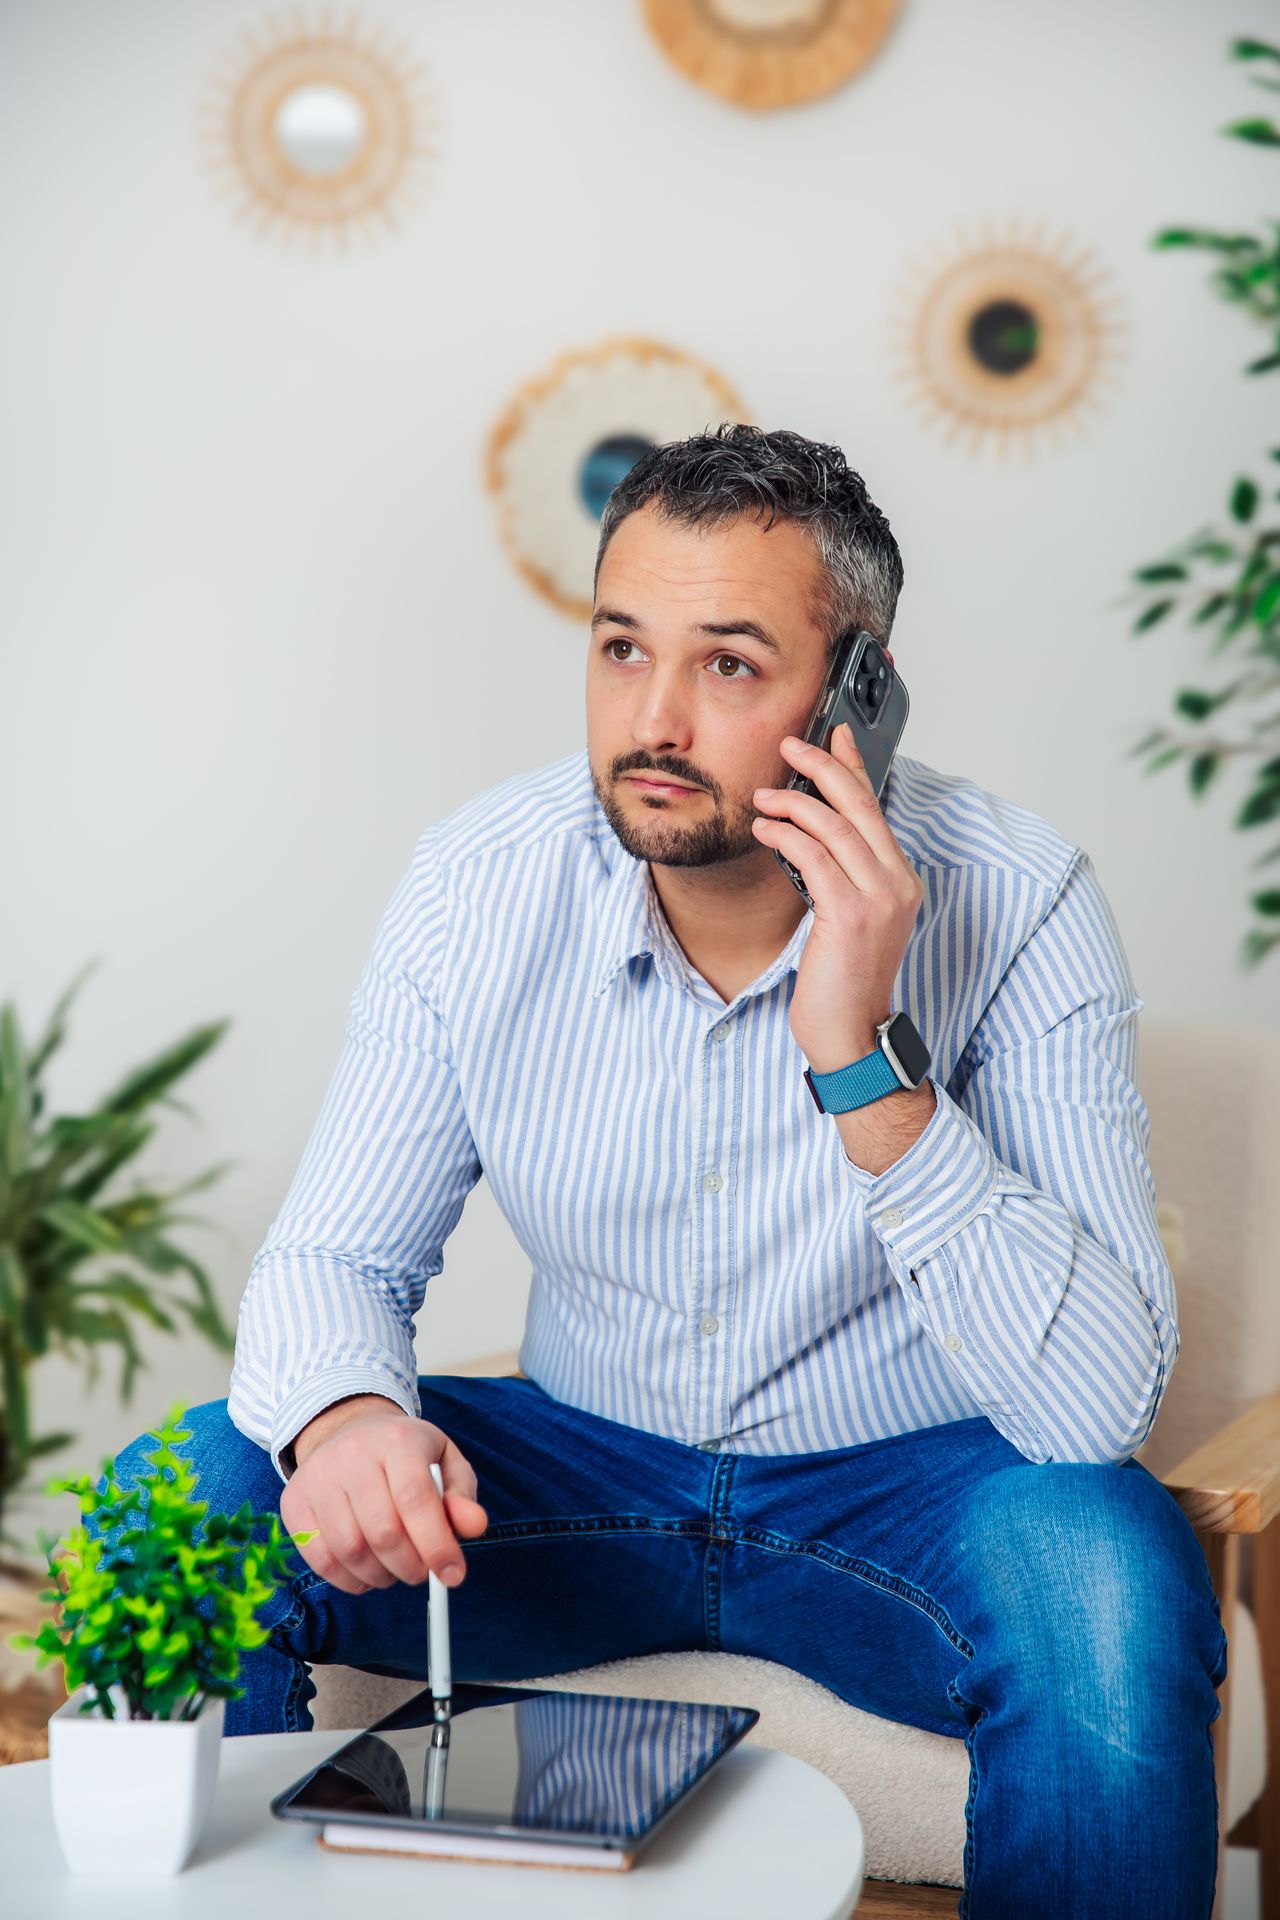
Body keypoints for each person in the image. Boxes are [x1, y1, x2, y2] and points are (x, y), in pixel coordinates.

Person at [89, 425, 1227, 1920]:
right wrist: (351, 1412)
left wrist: (865, 1062)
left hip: (911, 1500)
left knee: (1106, 1573)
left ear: (859, 691)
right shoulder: (481, 885)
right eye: (623, 648)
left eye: (732, 665)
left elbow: (1093, 1410)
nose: (656, 717)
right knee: (180, 1493)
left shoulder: (1020, 902)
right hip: (580, 1479)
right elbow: (333, 1261)